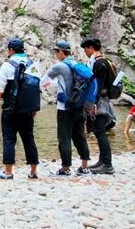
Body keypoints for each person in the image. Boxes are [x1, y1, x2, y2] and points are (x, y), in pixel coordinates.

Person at [0, 37, 40, 180]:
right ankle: (33, 171)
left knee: (8, 139)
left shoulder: (7, 65)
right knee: (29, 138)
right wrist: (34, 108)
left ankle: (8, 172)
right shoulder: (33, 65)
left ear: (11, 50)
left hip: (10, 108)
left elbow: (0, 87)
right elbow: (36, 86)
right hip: (28, 110)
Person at [41, 40, 91, 176]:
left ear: (62, 52)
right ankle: (84, 166)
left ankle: (65, 168)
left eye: (56, 51)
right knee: (80, 136)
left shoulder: (59, 67)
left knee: (64, 138)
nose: (56, 54)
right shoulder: (77, 65)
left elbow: (42, 82)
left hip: (65, 108)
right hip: (79, 106)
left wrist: (54, 86)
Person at [80, 37, 116, 175]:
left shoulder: (99, 63)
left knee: (100, 132)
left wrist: (92, 103)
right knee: (99, 131)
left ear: (90, 48)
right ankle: (102, 161)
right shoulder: (105, 62)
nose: (85, 52)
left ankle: (107, 164)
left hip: (100, 102)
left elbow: (98, 85)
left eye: (85, 49)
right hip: (103, 100)